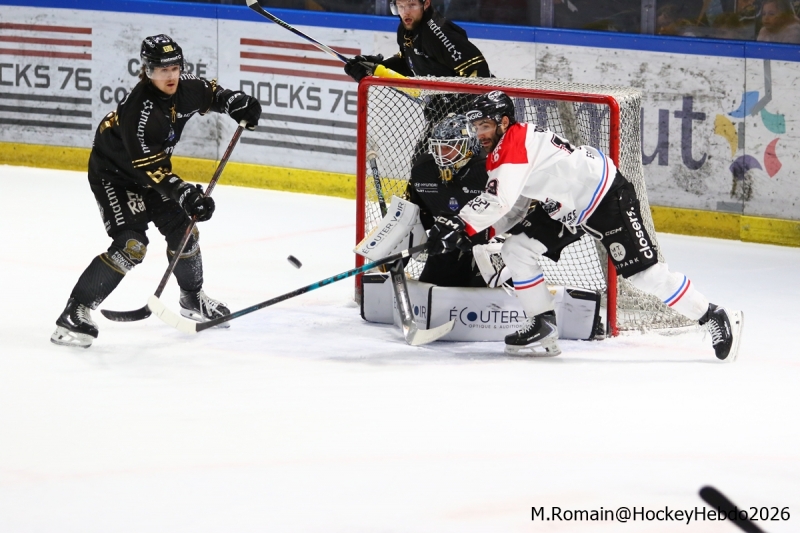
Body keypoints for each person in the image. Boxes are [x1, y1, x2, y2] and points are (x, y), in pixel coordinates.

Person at [427, 91, 744, 360]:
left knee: (644, 276)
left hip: (606, 196)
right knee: (517, 249)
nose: (479, 133)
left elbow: (500, 202)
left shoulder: (513, 145)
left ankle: (712, 314)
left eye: (485, 125)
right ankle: (543, 326)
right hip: (566, 206)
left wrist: (460, 225)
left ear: (503, 122)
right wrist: (485, 231)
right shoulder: (507, 146)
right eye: (477, 126)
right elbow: (519, 202)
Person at [50, 34, 262, 348]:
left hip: (152, 175)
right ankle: (74, 312)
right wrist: (186, 193)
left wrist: (237, 103)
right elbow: (148, 167)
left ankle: (192, 299)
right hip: (115, 177)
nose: (171, 75)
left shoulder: (185, 87)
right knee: (132, 245)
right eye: (162, 69)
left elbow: (215, 94)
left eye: (175, 67)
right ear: (147, 71)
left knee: (184, 230)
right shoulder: (139, 109)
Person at [410, 114, 586, 289]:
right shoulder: (423, 169)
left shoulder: (493, 165)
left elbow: (522, 210)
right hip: (453, 242)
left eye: (450, 147)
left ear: (470, 144)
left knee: (492, 278)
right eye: (438, 147)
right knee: (430, 289)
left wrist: (501, 237)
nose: (442, 154)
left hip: (494, 243)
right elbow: (416, 214)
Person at [343, 0, 491, 82]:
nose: (405, 12)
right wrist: (376, 68)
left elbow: (478, 71)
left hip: (472, 116)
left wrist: (460, 111)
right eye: (400, 6)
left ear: (426, 4)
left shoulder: (438, 33)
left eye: (412, 5)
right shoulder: (406, 28)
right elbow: (409, 65)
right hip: (440, 111)